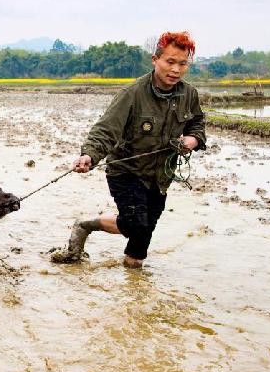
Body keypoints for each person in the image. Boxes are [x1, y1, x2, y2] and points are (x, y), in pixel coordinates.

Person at [51, 31, 206, 268]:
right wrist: (89, 155)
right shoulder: (132, 94)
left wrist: (193, 139)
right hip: (126, 171)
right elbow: (106, 129)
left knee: (141, 241)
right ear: (155, 60)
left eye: (182, 64)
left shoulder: (189, 94)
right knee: (136, 224)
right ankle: (85, 225)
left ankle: (134, 276)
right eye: (170, 62)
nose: (176, 69)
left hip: (160, 177)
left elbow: (197, 123)